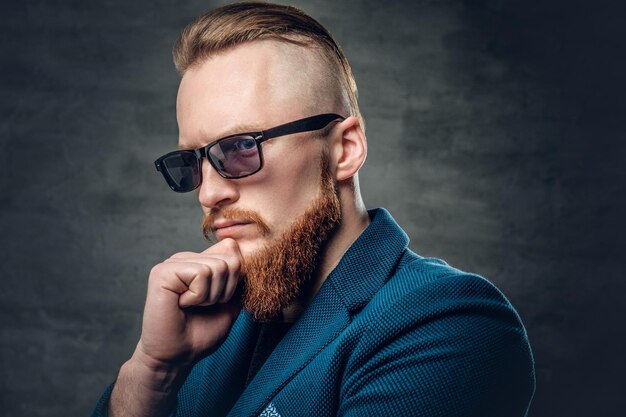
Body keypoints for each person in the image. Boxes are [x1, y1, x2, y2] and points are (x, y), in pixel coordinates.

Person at [92, 2, 535, 416]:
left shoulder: (452, 326)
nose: (208, 194)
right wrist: (152, 371)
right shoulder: (200, 336)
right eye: (192, 162)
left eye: (241, 148)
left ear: (345, 149)